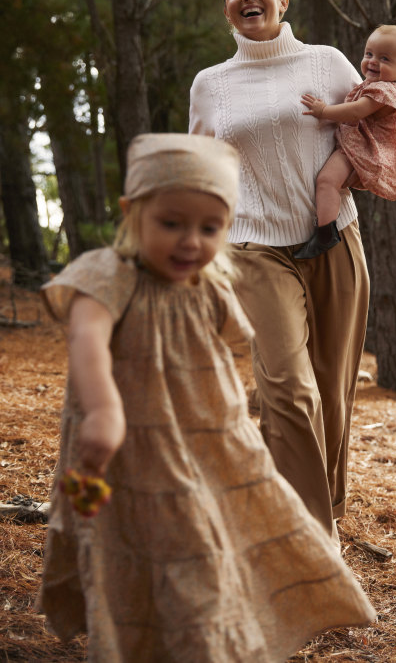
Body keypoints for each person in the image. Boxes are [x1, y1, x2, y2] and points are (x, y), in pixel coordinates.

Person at [37, 133, 375, 663]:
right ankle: (144, 635)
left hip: (206, 438)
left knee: (207, 536)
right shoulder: (107, 275)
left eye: (210, 228)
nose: (191, 242)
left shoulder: (208, 284)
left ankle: (211, 633)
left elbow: (237, 336)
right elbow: (86, 338)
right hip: (127, 442)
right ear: (132, 212)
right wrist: (103, 409)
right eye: (171, 223)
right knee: (132, 540)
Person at [189, 0, 369, 543]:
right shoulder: (210, 84)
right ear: (227, 9)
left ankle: (327, 506)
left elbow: (376, 128)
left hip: (334, 240)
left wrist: (355, 174)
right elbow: (202, 169)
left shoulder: (327, 63)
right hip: (256, 248)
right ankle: (310, 539)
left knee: (332, 385)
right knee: (288, 388)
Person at [294, 24, 396, 259]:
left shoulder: (386, 90)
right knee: (330, 183)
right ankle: (326, 228)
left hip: (365, 148)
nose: (373, 62)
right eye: (369, 54)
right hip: (368, 146)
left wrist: (323, 110)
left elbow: (356, 112)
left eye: (385, 58)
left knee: (326, 181)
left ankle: (325, 233)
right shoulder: (390, 88)